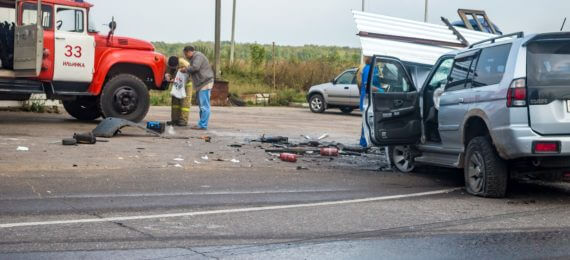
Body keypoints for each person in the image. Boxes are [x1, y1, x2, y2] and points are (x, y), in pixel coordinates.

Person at [180, 46, 214, 130]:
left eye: (185, 54)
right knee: (201, 106)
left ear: (189, 52)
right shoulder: (194, 58)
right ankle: (201, 124)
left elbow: (195, 67)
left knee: (204, 106)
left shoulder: (198, 56)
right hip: (201, 84)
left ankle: (203, 125)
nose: (185, 56)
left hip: (205, 83)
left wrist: (185, 69)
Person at [359, 57, 383, 148]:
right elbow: (367, 85)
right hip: (367, 99)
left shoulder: (374, 68)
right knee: (367, 122)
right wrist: (381, 90)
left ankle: (367, 142)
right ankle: (364, 143)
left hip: (373, 98)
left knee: (369, 121)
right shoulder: (368, 68)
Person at [165, 56, 192, 126]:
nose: (173, 68)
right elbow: (168, 71)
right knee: (175, 103)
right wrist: (167, 75)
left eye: (174, 67)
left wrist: (184, 71)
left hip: (186, 84)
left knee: (184, 103)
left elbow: (191, 72)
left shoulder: (184, 63)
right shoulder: (168, 63)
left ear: (178, 64)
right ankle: (174, 120)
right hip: (177, 84)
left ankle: (183, 120)